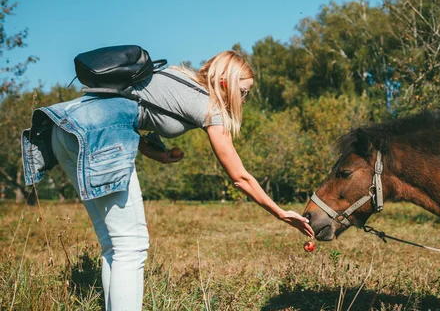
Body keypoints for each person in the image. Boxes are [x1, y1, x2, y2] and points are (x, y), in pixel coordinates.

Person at [22, 50, 314, 311]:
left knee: (114, 245)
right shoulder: (210, 107)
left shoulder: (176, 75)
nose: (244, 99)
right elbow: (239, 176)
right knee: (130, 246)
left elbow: (124, 107)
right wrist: (280, 212)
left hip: (65, 127)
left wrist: (154, 153)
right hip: (97, 135)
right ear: (225, 83)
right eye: (243, 91)